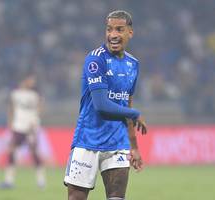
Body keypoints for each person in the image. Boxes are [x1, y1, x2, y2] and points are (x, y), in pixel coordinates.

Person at [64, 10, 147, 200]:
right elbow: (101, 106)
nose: (113, 35)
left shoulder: (133, 64)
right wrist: (134, 113)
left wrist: (134, 146)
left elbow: (127, 103)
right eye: (109, 29)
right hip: (88, 142)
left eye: (119, 29)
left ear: (130, 33)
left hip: (117, 144)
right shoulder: (95, 60)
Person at [0, 74, 46, 189]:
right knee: (11, 150)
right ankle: (9, 181)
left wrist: (35, 120)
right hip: (18, 126)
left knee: (34, 152)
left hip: (31, 126)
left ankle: (41, 181)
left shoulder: (35, 94)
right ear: (25, 80)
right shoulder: (15, 94)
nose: (33, 83)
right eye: (31, 80)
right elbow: (11, 108)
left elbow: (40, 107)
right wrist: (10, 122)